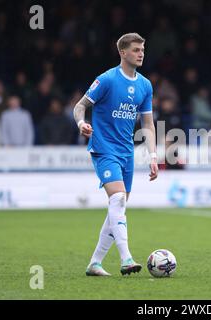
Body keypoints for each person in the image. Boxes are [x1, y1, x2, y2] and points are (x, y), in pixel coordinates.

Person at [73, 33, 158, 277]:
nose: (141, 53)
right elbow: (80, 106)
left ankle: (95, 263)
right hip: (104, 148)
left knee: (116, 207)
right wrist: (81, 123)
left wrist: (153, 157)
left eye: (142, 49)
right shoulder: (107, 80)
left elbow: (148, 125)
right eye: (135, 49)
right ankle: (126, 259)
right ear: (122, 52)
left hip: (126, 152)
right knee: (118, 199)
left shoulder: (145, 85)